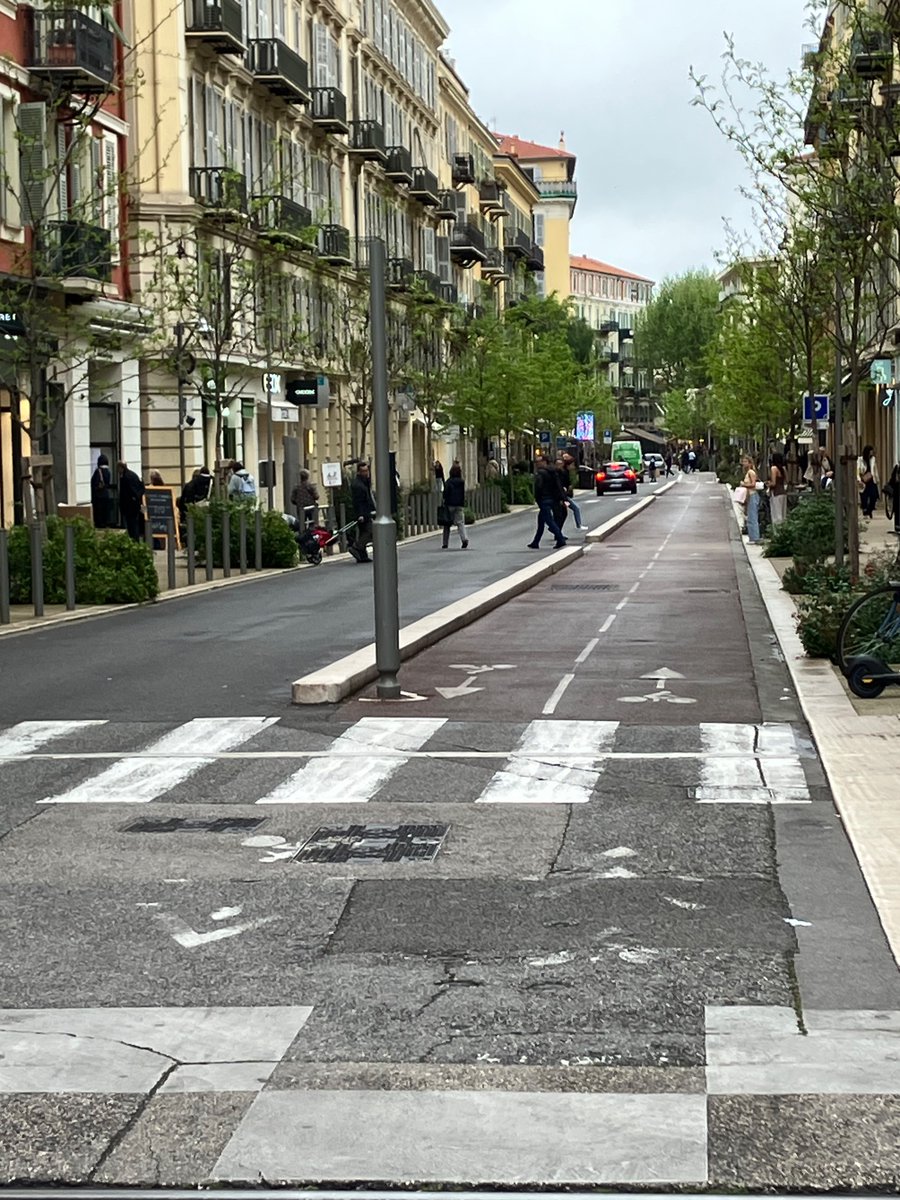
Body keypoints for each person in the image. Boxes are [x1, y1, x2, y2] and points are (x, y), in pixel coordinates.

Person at [527, 455, 567, 550]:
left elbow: (538, 487)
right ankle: (535, 542)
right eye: (536, 462)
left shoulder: (541, 473)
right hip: (553, 499)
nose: (537, 464)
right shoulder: (553, 472)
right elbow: (558, 485)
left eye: (538, 462)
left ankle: (560, 539)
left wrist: (537, 498)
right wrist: (562, 498)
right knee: (541, 521)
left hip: (544, 499)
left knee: (549, 521)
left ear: (544, 462)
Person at [349, 461, 374, 562]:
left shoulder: (364, 482)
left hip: (366, 511)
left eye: (367, 470)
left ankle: (362, 556)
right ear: (359, 472)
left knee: (364, 532)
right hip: (362, 513)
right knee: (369, 531)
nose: (366, 473)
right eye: (363, 471)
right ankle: (357, 546)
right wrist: (360, 514)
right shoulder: (357, 485)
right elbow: (358, 501)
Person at [441, 462, 468, 549]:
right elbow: (463, 494)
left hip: (449, 504)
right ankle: (464, 539)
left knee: (447, 524)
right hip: (459, 504)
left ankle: (445, 543)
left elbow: (445, 493)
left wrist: (444, 500)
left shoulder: (448, 482)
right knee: (460, 523)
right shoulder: (461, 482)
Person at [118, 461, 145, 541]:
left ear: (121, 468)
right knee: (133, 524)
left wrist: (134, 499)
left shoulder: (127, 477)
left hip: (130, 506)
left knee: (132, 525)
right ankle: (134, 540)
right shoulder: (131, 475)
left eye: (118, 468)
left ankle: (134, 541)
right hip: (132, 505)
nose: (117, 470)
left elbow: (131, 491)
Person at [561, 452, 587, 530]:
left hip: (565, 497)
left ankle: (557, 530)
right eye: (572, 464)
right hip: (564, 498)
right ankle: (578, 525)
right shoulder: (564, 473)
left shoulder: (566, 472)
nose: (574, 466)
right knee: (575, 508)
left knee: (563, 514)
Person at [739, 454, 761, 544]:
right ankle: (752, 536)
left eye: (745, 462)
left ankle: (755, 537)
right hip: (749, 496)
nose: (743, 463)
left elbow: (753, 484)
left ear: (749, 463)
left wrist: (744, 485)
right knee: (750, 517)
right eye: (743, 462)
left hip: (752, 495)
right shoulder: (748, 472)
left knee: (752, 517)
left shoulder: (751, 472)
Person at [90, 453, 113, 529]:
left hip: (98, 496)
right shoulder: (108, 472)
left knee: (99, 512)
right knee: (105, 511)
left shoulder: (98, 471)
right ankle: (105, 523)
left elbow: (94, 483)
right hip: (106, 494)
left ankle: (100, 525)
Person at [858, 444, 879, 519]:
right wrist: (859, 480)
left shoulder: (873, 459)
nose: (871, 454)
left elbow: (875, 469)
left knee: (874, 496)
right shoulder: (860, 460)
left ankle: (870, 509)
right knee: (864, 497)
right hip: (863, 481)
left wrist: (877, 478)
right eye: (870, 452)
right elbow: (857, 471)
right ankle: (865, 510)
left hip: (871, 480)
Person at [768, 451, 787, 526]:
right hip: (783, 492)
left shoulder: (773, 468)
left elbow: (773, 483)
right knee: (783, 514)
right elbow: (787, 480)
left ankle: (777, 533)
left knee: (776, 514)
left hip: (776, 493)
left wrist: (767, 484)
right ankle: (783, 531)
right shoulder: (783, 469)